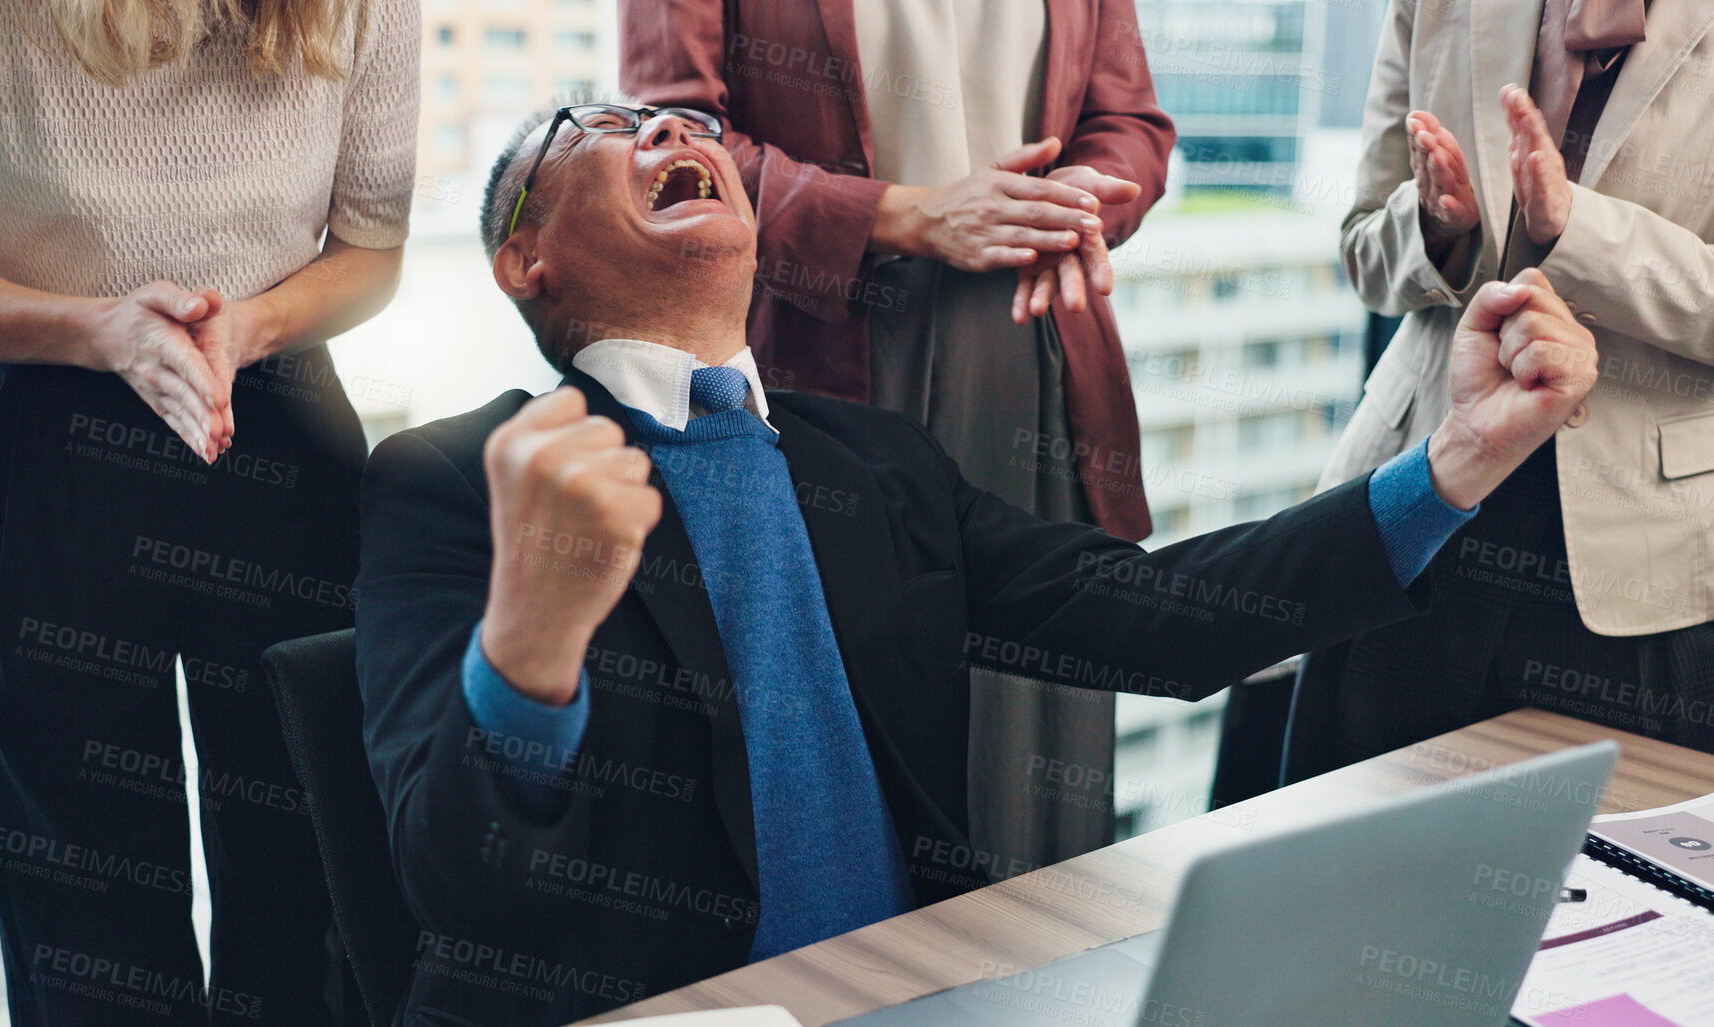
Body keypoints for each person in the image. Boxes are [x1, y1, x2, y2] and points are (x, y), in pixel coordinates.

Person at [354, 99, 1597, 1026]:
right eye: (599, 128)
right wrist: (529, 642)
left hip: (916, 996)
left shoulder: (881, 464)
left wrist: (1454, 463)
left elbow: (1161, 618)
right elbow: (462, 892)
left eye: (687, 125)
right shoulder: (464, 479)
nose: (668, 126)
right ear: (528, 261)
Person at [0, 0, 418, 1021]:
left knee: (314, 875)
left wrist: (246, 324)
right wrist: (103, 331)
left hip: (278, 414)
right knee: (83, 902)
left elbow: (372, 249)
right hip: (56, 415)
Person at [620, 0, 1176, 866]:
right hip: (824, 348)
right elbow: (673, 140)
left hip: (1032, 350)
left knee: (1040, 736)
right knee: (842, 741)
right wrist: (911, 215)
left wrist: (1073, 199)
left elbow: (1129, 121)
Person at [1285, 0, 1714, 783]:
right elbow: (1361, 252)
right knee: (1359, 865)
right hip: (1421, 497)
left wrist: (1573, 229)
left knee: (1616, 888)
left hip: (1643, 552)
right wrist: (1435, 230)